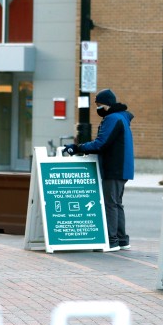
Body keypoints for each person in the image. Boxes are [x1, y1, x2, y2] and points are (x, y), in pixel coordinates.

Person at [63, 88, 135, 251]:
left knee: (110, 203)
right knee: (116, 203)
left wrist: (77, 147)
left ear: (107, 105)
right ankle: (122, 239)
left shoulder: (112, 118)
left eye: (99, 105)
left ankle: (111, 240)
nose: (98, 108)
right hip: (122, 166)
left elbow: (100, 143)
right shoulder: (121, 117)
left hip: (114, 167)